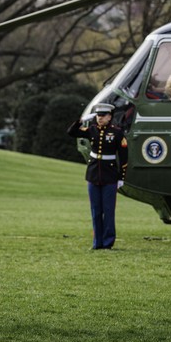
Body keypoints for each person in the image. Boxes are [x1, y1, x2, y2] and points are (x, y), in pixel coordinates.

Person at [67, 103, 128, 249]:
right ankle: (97, 242)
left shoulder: (117, 133)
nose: (100, 118)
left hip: (110, 175)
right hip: (93, 174)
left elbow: (124, 157)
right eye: (98, 116)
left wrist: (121, 177)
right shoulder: (91, 130)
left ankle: (107, 242)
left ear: (110, 117)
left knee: (108, 211)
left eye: (103, 116)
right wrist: (81, 120)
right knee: (95, 210)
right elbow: (71, 132)